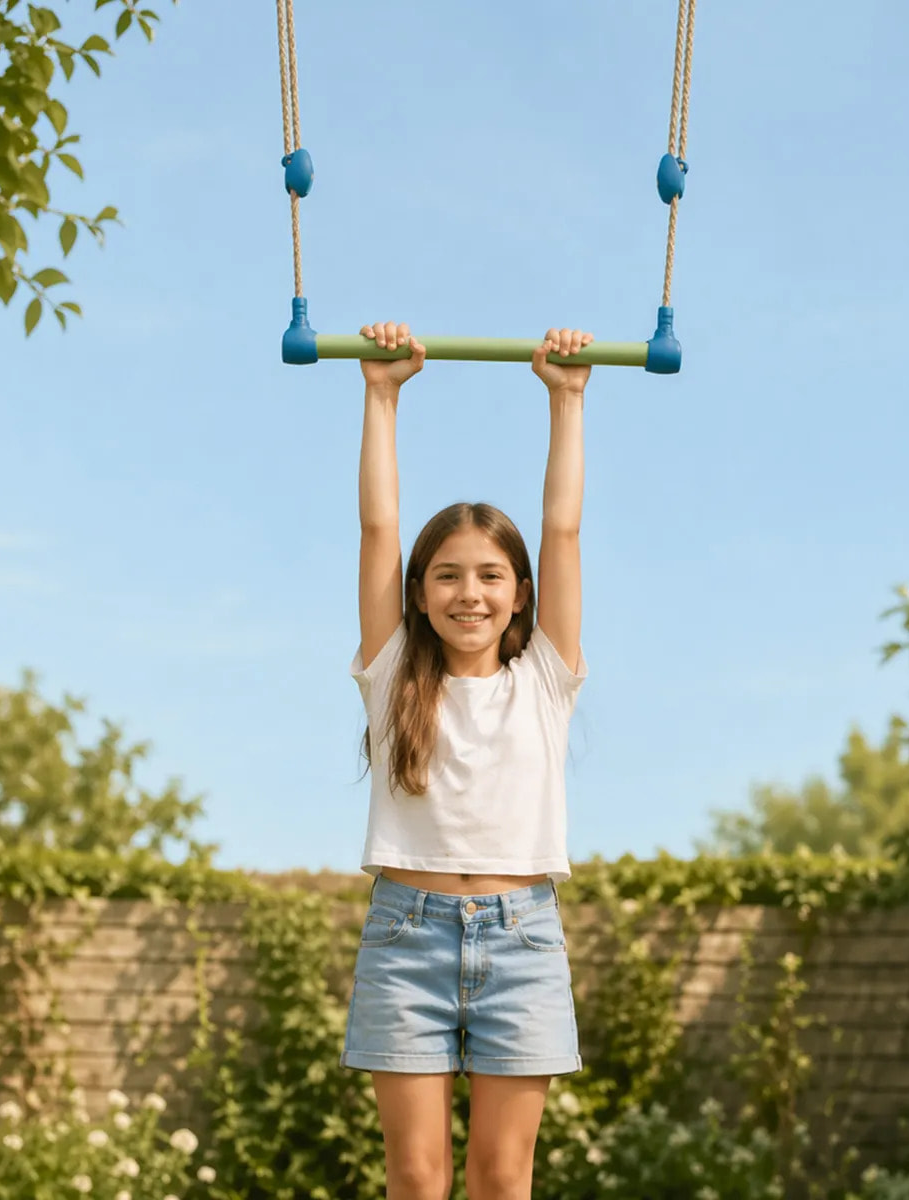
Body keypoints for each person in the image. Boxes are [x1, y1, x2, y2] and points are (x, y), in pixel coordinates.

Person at [341, 319, 592, 1200]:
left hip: (521, 936)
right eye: (447, 575)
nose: (469, 592)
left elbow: (561, 530)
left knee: (499, 1176)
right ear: (419, 594)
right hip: (406, 933)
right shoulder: (392, 676)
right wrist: (382, 395)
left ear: (520, 594)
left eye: (490, 575)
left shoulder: (546, 680)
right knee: (415, 1177)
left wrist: (567, 400)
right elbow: (379, 528)